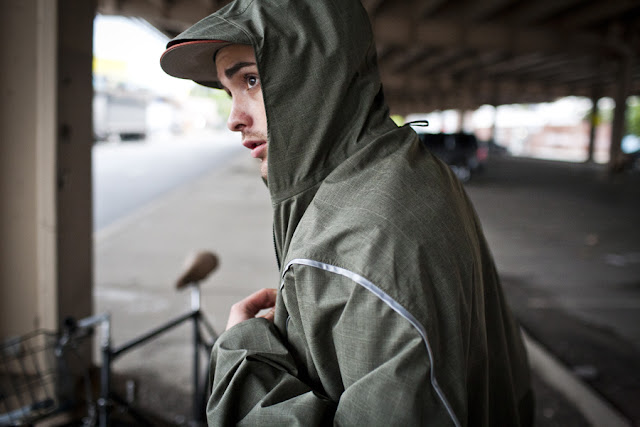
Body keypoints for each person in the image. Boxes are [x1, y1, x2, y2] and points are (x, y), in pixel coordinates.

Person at [160, 0, 534, 425]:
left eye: (252, 79)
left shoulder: (362, 237)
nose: (234, 118)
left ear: (319, 78)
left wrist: (243, 355)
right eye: (230, 92)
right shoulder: (412, 172)